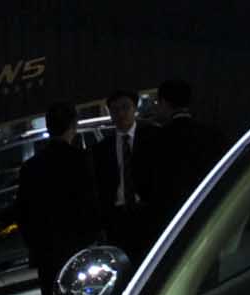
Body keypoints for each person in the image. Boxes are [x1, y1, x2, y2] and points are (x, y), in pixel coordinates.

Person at [17, 103, 103, 295]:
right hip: (76, 249)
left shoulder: (31, 167)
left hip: (46, 252)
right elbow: (90, 206)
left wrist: (35, 246)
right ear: (73, 126)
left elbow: (23, 213)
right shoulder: (80, 160)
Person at [132, 80, 228, 249]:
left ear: (164, 103)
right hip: (207, 212)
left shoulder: (154, 139)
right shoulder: (213, 135)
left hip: (168, 219)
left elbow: (143, 184)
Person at [90, 90, 141, 251]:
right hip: (117, 216)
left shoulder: (151, 137)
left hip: (146, 210)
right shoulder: (101, 149)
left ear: (135, 109)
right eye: (115, 110)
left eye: (125, 107)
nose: (120, 114)